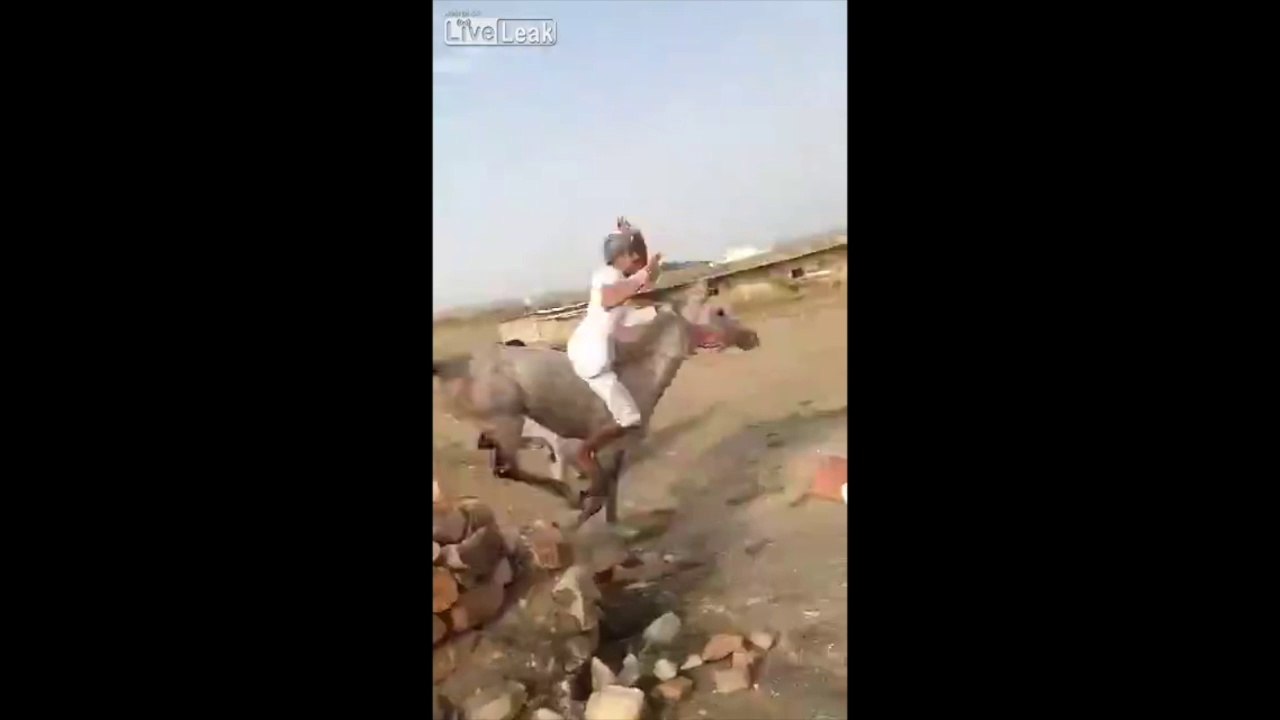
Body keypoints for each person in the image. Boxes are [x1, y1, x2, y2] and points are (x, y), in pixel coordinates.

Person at [567, 217, 662, 489]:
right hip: (592, 359)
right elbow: (612, 299)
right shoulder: (607, 277)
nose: (637, 261)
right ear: (619, 256)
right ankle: (585, 452)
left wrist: (662, 311)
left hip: (595, 349)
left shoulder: (617, 279)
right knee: (630, 418)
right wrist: (644, 274)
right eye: (632, 255)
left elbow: (629, 317)